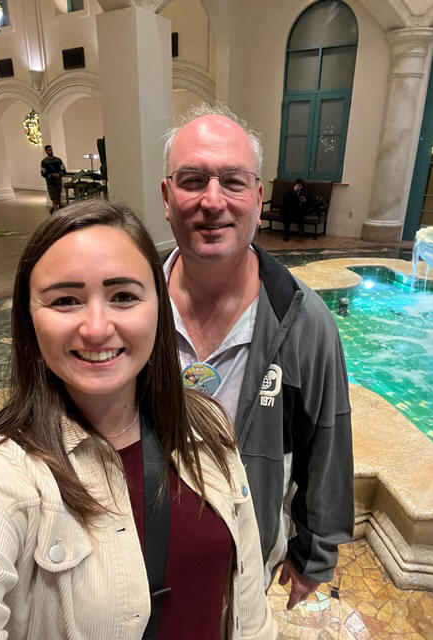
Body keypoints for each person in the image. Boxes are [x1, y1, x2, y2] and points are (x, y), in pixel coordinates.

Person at [0, 200, 277, 639]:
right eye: (65, 300)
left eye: (124, 297)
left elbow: (249, 606)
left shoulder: (204, 424)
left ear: (159, 308)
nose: (97, 328)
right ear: (29, 318)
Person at [161, 104, 354, 610]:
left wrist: (315, 554)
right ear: (166, 197)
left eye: (233, 182)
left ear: (259, 196)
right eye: (192, 180)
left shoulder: (305, 321)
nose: (213, 201)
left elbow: (327, 439)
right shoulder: (131, 308)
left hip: (241, 568)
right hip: (139, 554)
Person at [40, 144, 66, 212]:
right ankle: (57, 212)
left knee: (58, 197)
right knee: (53, 198)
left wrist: (59, 174)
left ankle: (54, 209)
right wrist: (52, 175)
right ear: (46, 151)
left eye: (51, 150)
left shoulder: (58, 160)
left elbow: (63, 170)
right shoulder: (44, 162)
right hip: (50, 183)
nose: (51, 151)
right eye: (49, 150)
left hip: (58, 182)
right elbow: (43, 173)